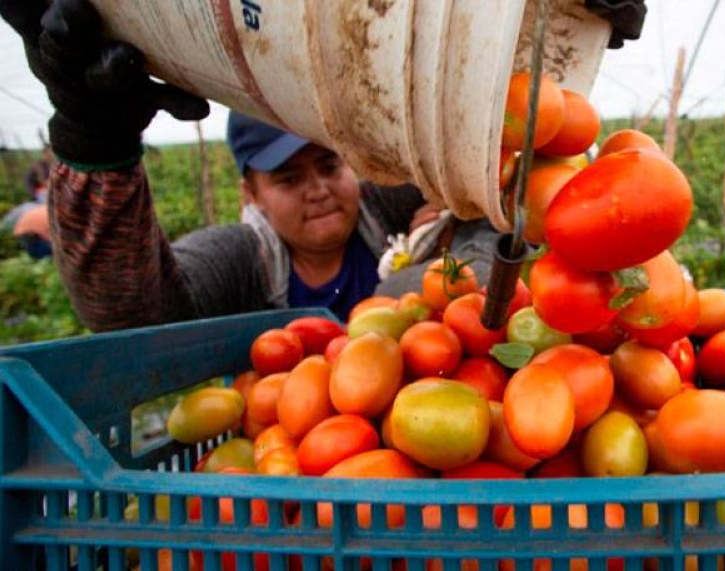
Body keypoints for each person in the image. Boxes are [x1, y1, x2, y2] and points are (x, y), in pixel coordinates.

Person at [0, 0, 645, 331]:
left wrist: (543, 52)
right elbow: (130, 315)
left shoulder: (382, 203)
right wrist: (94, 143)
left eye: (328, 165)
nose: (316, 191)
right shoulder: (241, 262)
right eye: (286, 178)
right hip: (304, 479)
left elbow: (495, 176)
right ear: (250, 191)